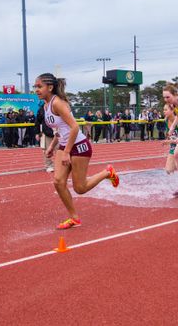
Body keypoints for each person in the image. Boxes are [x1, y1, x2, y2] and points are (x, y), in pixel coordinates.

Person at [34, 73, 119, 229]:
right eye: (35, 86)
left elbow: (74, 127)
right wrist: (52, 146)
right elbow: (60, 129)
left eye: (39, 86)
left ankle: (107, 172)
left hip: (79, 146)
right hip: (64, 145)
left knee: (80, 188)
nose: (36, 89)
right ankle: (74, 218)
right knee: (58, 182)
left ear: (50, 87)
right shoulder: (46, 106)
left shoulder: (58, 103)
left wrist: (66, 152)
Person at [162, 104, 178, 175]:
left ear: (172, 110)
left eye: (166, 110)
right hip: (173, 146)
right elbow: (169, 134)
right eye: (163, 110)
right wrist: (167, 139)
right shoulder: (166, 120)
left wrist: (169, 141)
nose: (164, 112)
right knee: (168, 170)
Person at [35, 104, 55, 172]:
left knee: (60, 150)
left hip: (59, 132)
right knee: (46, 150)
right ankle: (49, 165)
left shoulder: (58, 105)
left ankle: (60, 165)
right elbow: (37, 121)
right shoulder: (41, 109)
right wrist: (37, 133)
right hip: (47, 132)